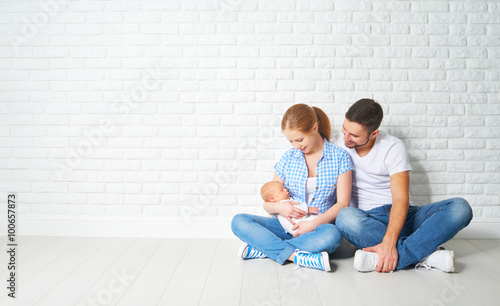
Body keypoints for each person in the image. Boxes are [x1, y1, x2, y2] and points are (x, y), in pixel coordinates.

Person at [333, 98, 473, 273]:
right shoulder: (337, 142)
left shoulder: (393, 147)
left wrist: (390, 244)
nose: (346, 138)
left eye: (354, 135)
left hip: (399, 216)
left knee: (461, 208)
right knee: (345, 218)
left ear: (374, 134)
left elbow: (400, 199)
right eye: (345, 129)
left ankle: (391, 256)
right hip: (366, 219)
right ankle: (426, 255)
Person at [231, 104, 353, 272]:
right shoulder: (288, 158)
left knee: (333, 235)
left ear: (314, 128)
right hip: (284, 226)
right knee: (238, 221)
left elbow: (343, 204)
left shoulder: (340, 157)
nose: (296, 146)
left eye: (299, 139)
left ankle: (266, 249)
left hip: (317, 229)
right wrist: (279, 207)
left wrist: (311, 225)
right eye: (291, 141)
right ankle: (297, 256)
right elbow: (268, 202)